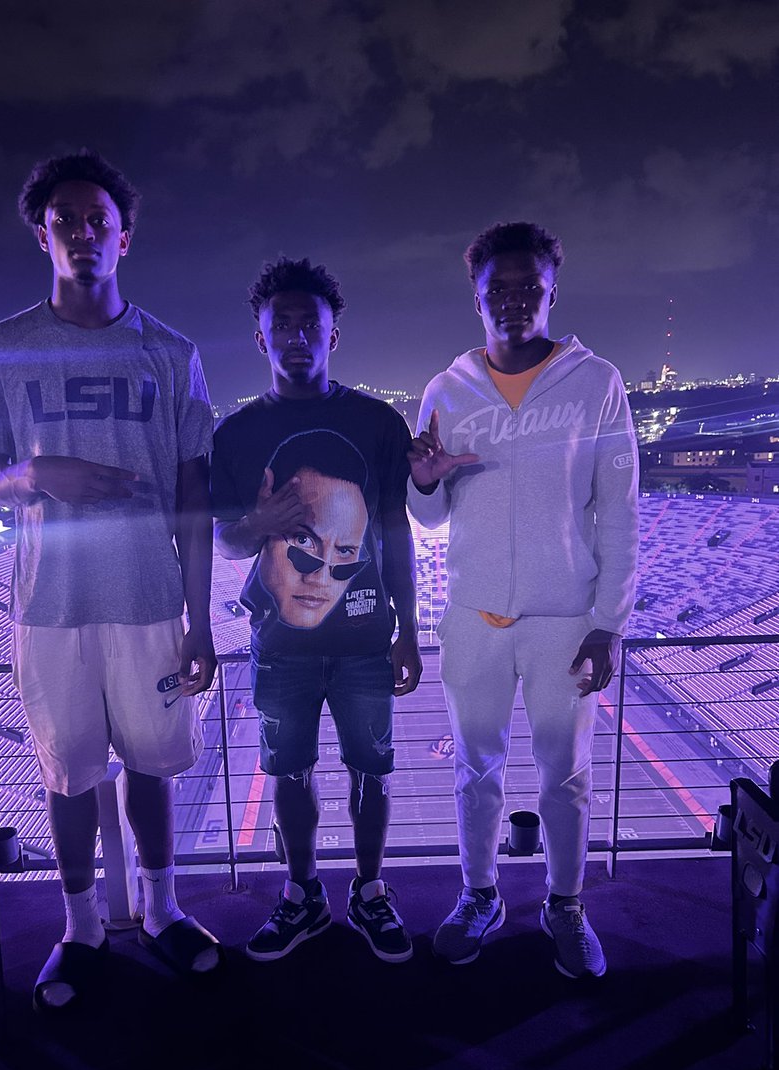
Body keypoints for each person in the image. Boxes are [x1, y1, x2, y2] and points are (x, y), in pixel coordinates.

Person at [0, 150, 221, 1012]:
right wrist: (36, 473)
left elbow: (195, 496)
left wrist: (202, 619)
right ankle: (79, 928)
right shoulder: (0, 348)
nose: (83, 234)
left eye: (97, 221)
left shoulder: (171, 352)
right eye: (65, 220)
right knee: (68, 773)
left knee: (152, 767)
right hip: (51, 606)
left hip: (151, 600)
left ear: (126, 235)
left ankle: (161, 910)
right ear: (43, 234)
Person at [407, 221, 638, 978]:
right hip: (474, 617)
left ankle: (565, 904)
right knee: (474, 771)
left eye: (526, 286)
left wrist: (608, 624)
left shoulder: (595, 383)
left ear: (551, 290)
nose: (512, 300)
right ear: (476, 297)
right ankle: (481, 893)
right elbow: (430, 520)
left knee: (566, 776)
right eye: (496, 289)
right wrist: (427, 479)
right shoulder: (446, 391)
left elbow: (621, 511)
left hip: (565, 620)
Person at [211, 257, 422, 963]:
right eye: (283, 325)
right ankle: (303, 894)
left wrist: (410, 631)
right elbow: (222, 541)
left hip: (366, 640)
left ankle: (368, 891)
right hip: (280, 646)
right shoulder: (236, 436)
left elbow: (395, 532)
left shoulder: (376, 423)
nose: (297, 336)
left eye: (311, 324)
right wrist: (259, 523)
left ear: (335, 335)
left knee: (373, 771)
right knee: (288, 774)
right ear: (261, 338)